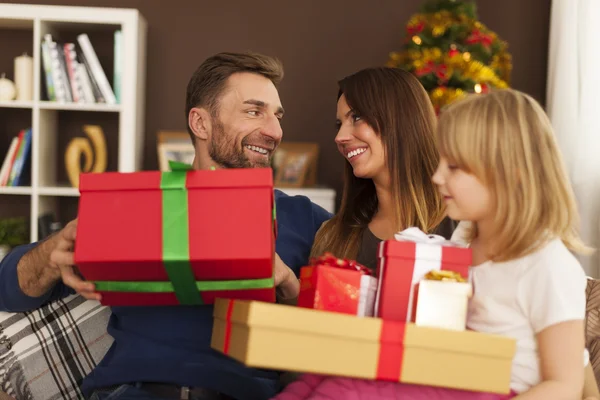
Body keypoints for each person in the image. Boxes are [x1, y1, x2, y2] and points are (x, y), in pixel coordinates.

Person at [0, 52, 332, 400]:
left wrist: (289, 283)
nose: (274, 130)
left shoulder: (302, 217)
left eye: (277, 116)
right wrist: (52, 253)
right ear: (200, 123)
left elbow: (344, 334)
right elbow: (9, 287)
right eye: (254, 111)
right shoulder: (137, 205)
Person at [277, 88, 597, 399]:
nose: (437, 176)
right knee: (320, 377)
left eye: (454, 167)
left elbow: (566, 384)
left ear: (508, 176)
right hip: (449, 373)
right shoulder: (465, 237)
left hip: (494, 389)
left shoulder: (546, 263)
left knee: (344, 392)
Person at [310, 66, 454, 272]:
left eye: (356, 117)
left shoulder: (460, 223)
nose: (340, 137)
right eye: (339, 124)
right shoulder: (333, 236)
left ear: (401, 119)